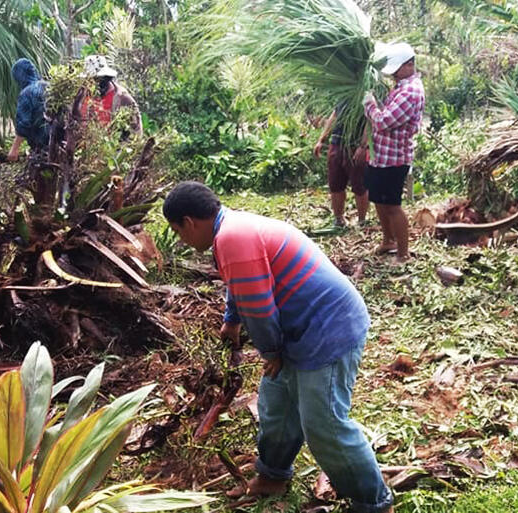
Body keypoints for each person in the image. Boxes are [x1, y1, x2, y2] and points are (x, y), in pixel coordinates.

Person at [163, 181, 394, 513]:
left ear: (188, 222)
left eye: (178, 231)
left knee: (324, 423)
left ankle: (374, 502)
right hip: (301, 329)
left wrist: (270, 352)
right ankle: (272, 475)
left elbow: (259, 308)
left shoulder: (232, 236)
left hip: (329, 327)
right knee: (277, 405)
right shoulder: (230, 230)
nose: (183, 240)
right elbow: (240, 285)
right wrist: (231, 319)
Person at [362, 43, 425, 264]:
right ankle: (388, 240)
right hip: (381, 156)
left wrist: (369, 104)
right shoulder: (401, 86)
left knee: (392, 206)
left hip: (394, 159)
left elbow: (383, 122)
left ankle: (403, 253)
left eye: (397, 70)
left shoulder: (411, 91)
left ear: (409, 65)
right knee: (379, 200)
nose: (394, 75)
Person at [313, 102, 369, 227]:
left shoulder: (367, 92)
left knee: (359, 185)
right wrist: (321, 139)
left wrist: (363, 145)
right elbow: (334, 115)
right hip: (337, 143)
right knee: (335, 184)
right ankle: (338, 219)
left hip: (355, 145)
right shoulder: (343, 93)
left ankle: (362, 221)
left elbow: (370, 120)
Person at [79, 55, 142, 136]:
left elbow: (136, 133)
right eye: (92, 80)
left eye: (100, 80)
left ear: (107, 78)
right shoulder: (81, 97)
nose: (96, 84)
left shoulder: (123, 99)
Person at [7, 58, 49, 162]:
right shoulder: (49, 87)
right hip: (60, 143)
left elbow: (23, 123)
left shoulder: (26, 93)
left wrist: (14, 149)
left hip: (41, 145)